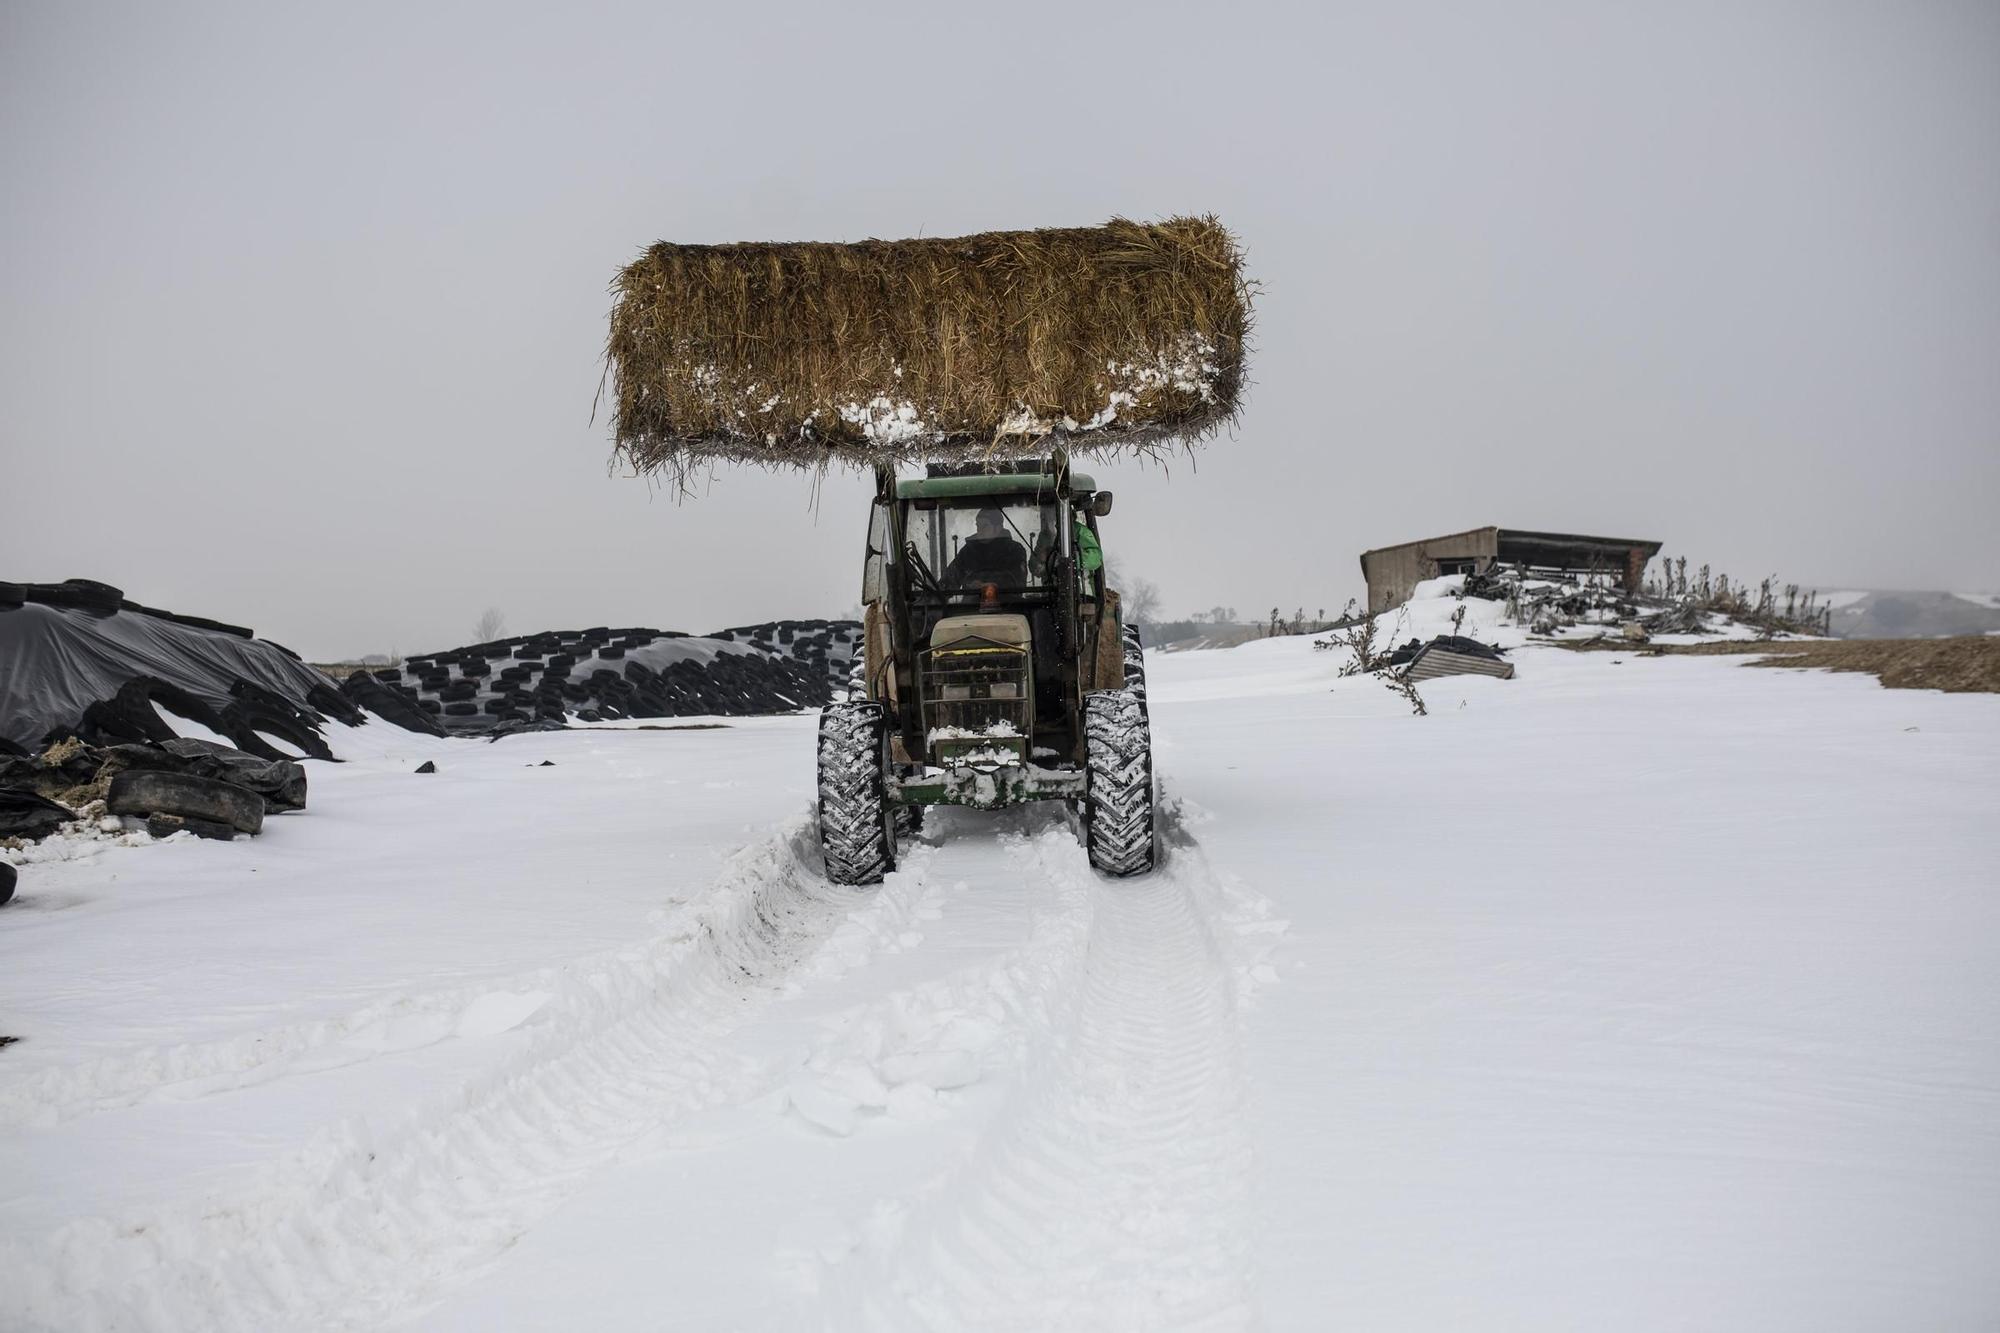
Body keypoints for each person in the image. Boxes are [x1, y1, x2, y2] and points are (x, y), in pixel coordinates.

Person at [945, 506, 1028, 589]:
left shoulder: (1014, 550)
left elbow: (1018, 582)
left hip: (1008, 601)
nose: (980, 530)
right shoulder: (968, 551)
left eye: (985, 526)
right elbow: (949, 579)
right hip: (972, 601)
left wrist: (989, 585)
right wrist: (937, 595)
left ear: (998, 528)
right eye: (978, 526)